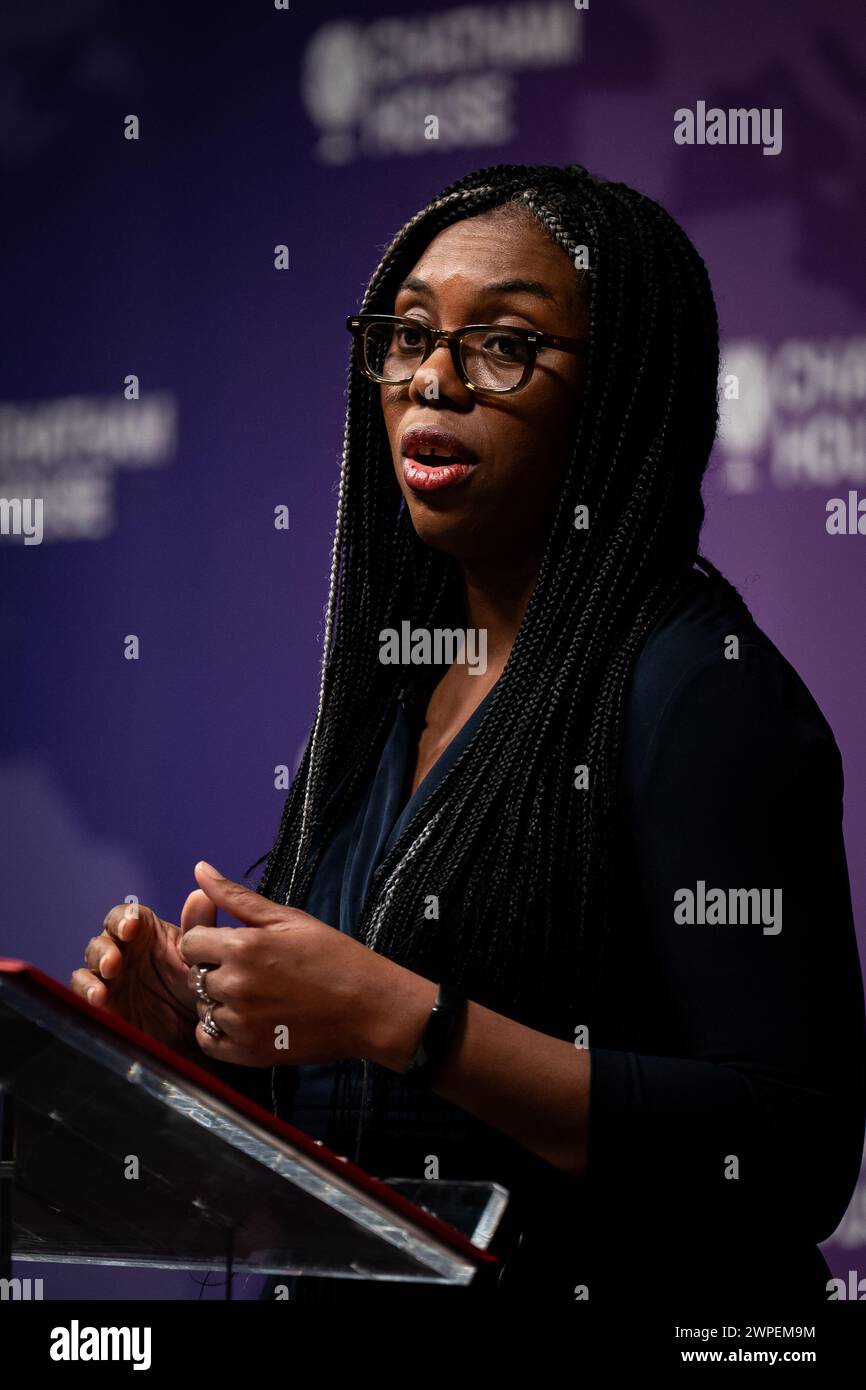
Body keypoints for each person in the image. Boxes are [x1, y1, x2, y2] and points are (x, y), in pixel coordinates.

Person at [71, 162, 866, 1308]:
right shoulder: (388, 696)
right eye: (405, 336)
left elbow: (785, 1152)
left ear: (619, 394)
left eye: (501, 346)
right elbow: (381, 1147)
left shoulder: (699, 689)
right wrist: (199, 1055)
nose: (432, 378)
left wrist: (398, 1014)